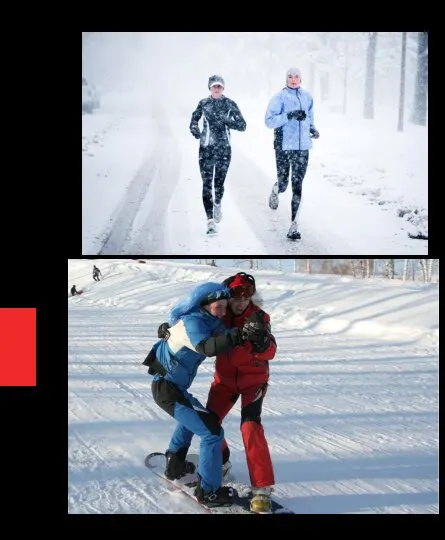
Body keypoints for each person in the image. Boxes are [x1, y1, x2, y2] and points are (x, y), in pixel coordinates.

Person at [143, 281, 247, 507]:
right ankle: (209, 492)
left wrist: (247, 333)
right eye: (217, 306)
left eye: (223, 306)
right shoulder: (194, 321)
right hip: (167, 390)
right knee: (212, 433)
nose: (221, 311)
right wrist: (236, 336)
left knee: (197, 419)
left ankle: (175, 462)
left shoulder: (207, 321)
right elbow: (207, 347)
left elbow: (224, 335)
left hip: (174, 389)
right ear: (204, 305)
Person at [206, 271, 277, 514]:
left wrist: (262, 344)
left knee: (250, 426)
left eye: (246, 297)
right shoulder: (219, 316)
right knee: (209, 423)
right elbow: (194, 327)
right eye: (236, 297)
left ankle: (262, 489)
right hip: (224, 381)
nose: (241, 302)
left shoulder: (259, 317)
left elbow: (271, 352)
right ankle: (222, 462)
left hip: (252, 381)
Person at [264, 67, 320, 240]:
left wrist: (312, 129)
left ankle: (294, 226)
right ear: (286, 79)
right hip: (283, 145)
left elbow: (309, 116)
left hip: (302, 148)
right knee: (284, 183)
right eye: (290, 76)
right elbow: (269, 121)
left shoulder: (307, 97)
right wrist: (289, 115)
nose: (293, 79)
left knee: (297, 186)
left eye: (297, 76)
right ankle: (276, 189)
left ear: (301, 79)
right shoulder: (279, 97)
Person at [189, 75, 247, 234]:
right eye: (214, 86)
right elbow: (194, 120)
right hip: (206, 148)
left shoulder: (229, 104)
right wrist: (195, 130)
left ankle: (217, 204)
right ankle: (210, 221)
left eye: (219, 86)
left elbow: (243, 125)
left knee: (218, 184)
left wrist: (228, 120)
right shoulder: (203, 103)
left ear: (223, 88)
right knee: (207, 185)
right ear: (209, 88)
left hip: (224, 149)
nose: (216, 89)